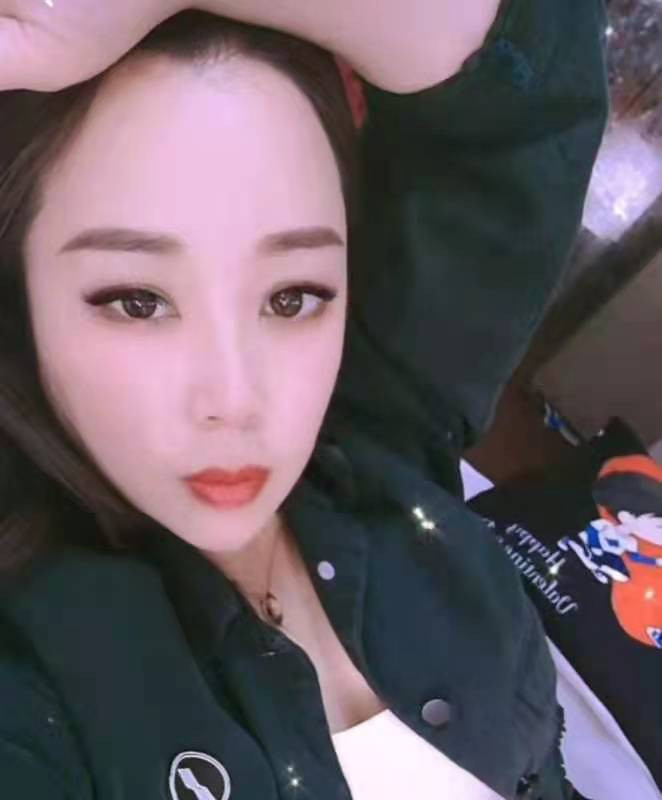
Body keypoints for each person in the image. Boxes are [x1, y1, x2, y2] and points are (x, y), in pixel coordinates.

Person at [0, 1, 608, 799]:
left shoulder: (386, 421)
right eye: (138, 302)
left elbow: (530, 74)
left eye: (292, 298)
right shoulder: (39, 675)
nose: (235, 401)